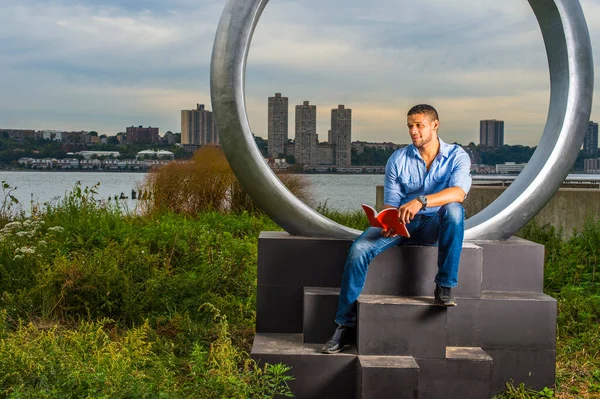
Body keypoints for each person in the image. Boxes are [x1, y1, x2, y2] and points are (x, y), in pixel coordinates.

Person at [321, 104, 472, 354]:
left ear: (435, 125)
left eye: (419, 125)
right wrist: (390, 221)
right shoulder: (398, 160)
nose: (413, 131)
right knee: (358, 250)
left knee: (454, 210)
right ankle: (343, 325)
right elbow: (392, 203)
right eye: (410, 126)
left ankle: (444, 286)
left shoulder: (457, 156)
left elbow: (458, 192)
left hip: (436, 224)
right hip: (404, 224)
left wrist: (422, 200)